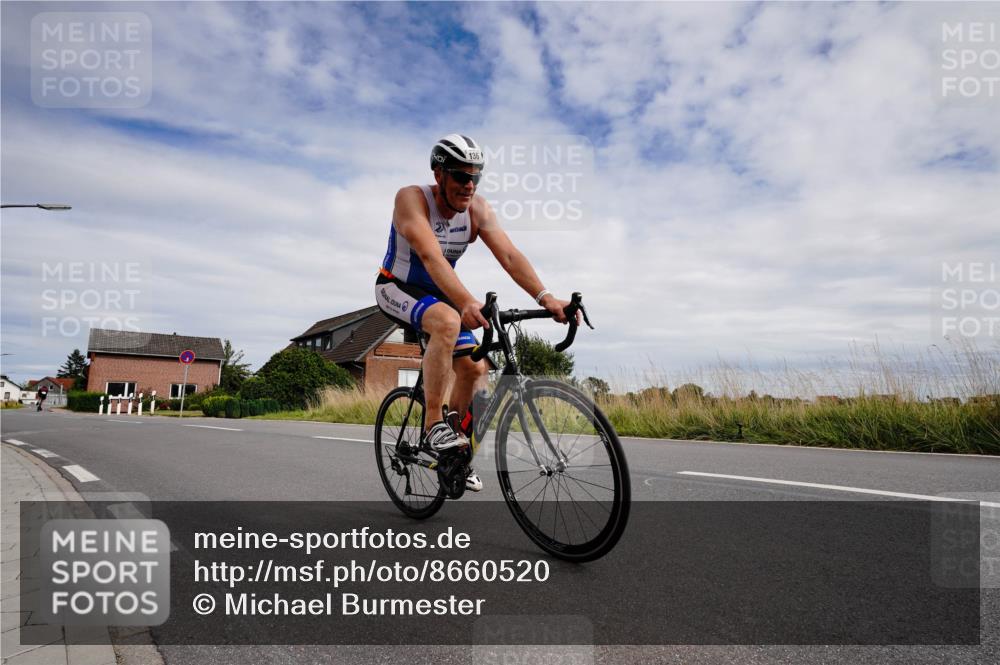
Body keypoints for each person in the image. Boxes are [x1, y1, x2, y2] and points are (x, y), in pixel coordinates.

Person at [375, 134, 575, 491]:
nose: (469, 185)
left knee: (476, 368)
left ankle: (454, 453)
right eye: (460, 176)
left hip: (442, 293)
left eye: (475, 176)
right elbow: (430, 256)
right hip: (397, 287)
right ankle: (432, 424)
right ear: (439, 174)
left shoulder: (477, 211)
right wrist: (466, 301)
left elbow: (510, 256)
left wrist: (546, 297)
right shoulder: (411, 199)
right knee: (448, 320)